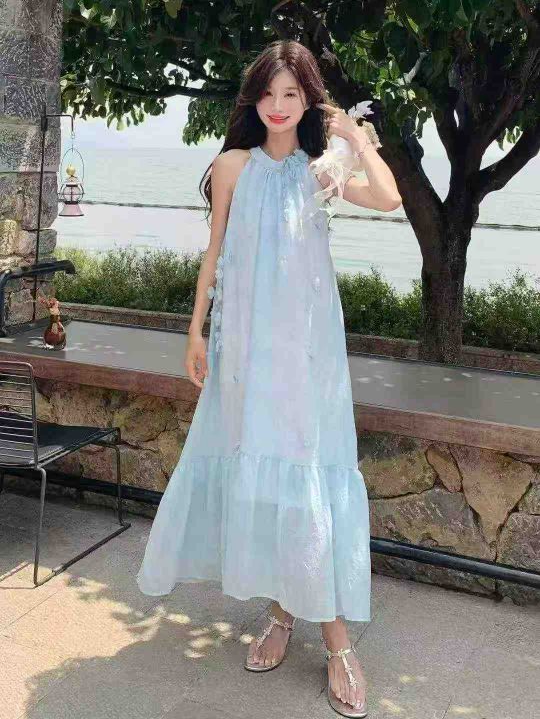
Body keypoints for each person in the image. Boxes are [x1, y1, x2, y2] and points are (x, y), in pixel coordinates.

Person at [137, 39, 401, 718]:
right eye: (269, 94)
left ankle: (337, 643)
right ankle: (284, 613)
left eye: (292, 94)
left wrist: (354, 137)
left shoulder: (320, 170)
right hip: (246, 352)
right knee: (272, 476)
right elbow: (215, 250)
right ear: (253, 99)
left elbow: (389, 198)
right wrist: (196, 331)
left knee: (305, 477)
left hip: (309, 357)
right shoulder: (232, 165)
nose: (279, 106)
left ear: (309, 100)